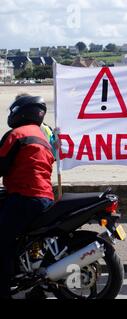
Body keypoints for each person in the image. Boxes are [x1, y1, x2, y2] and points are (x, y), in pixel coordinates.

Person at [0, 95, 55, 299]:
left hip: (24, 197)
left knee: (2, 242)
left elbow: (1, 163)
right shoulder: (42, 137)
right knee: (26, 243)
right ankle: (33, 286)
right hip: (44, 197)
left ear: (20, 111)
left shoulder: (16, 134)